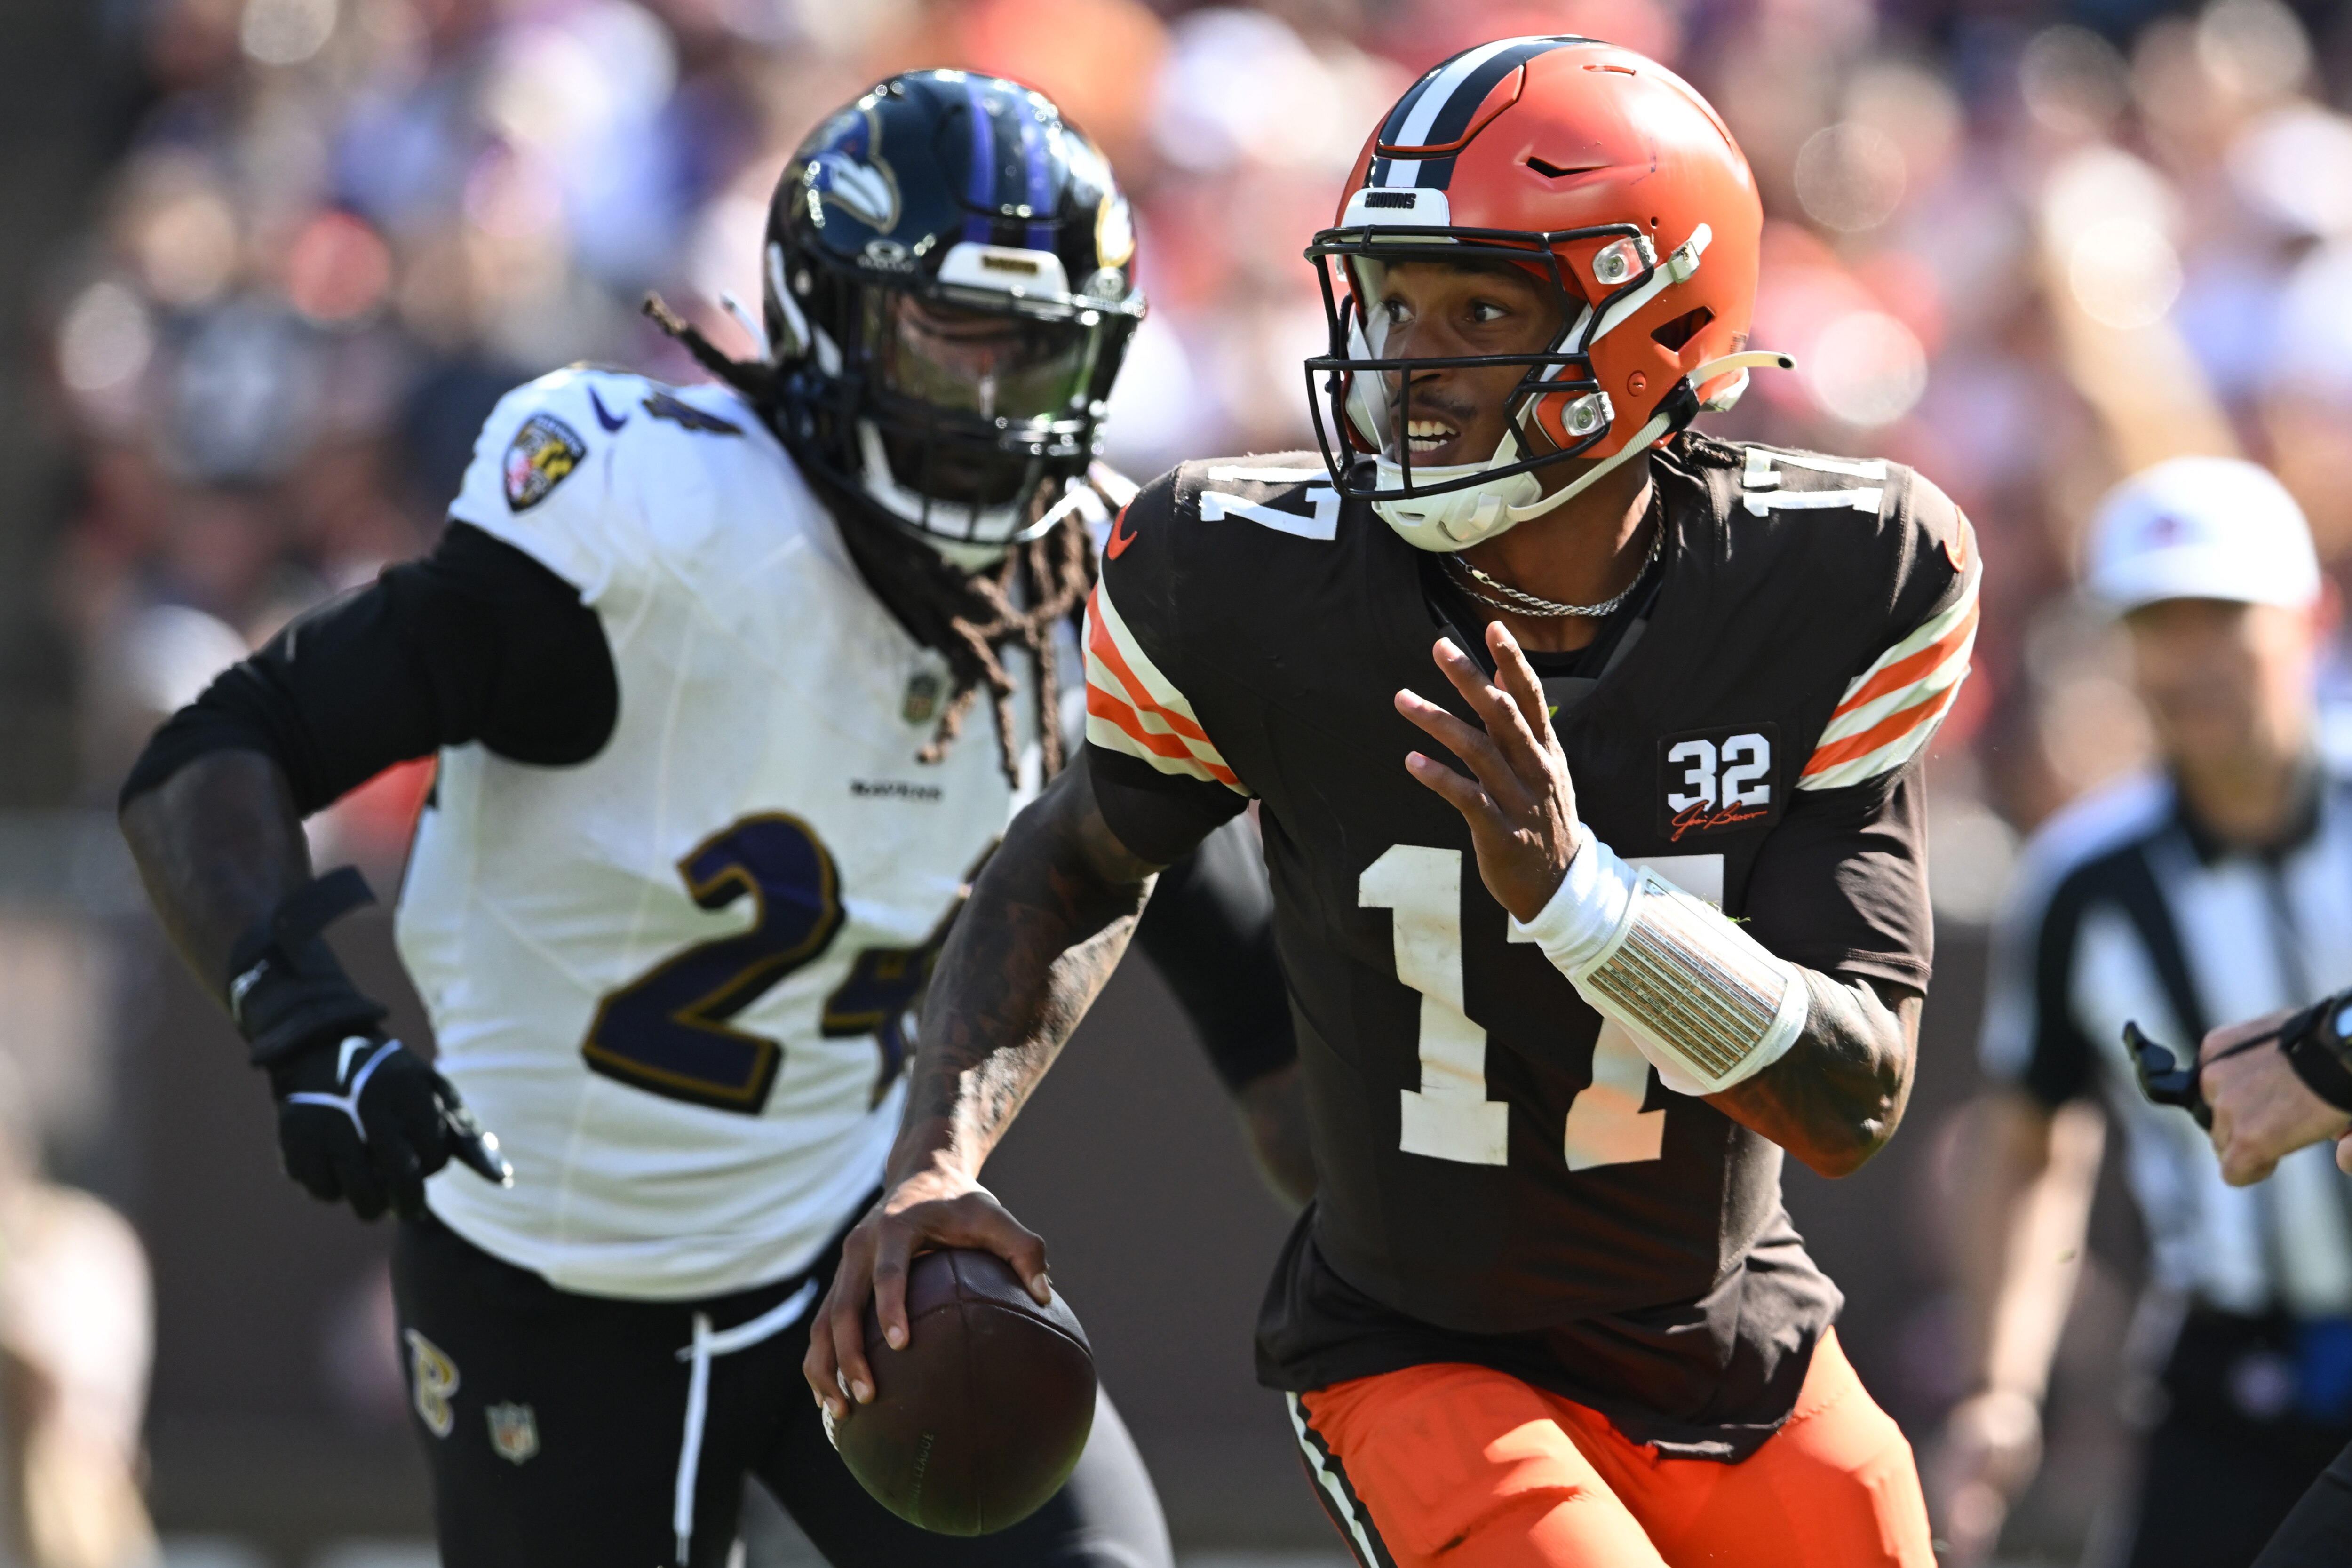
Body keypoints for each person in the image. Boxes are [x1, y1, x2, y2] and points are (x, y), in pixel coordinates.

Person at [809, 37, 1978, 1568]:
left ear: (1657, 321)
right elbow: (1084, 853)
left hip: (1740, 1347)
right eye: (1393, 299)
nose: (1408, 361)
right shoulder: (1247, 580)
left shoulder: (1838, 581)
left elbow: (1853, 1097)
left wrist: (1580, 901)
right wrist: (940, 1156)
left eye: (1479, 307)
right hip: (1427, 1350)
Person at [116, 71, 1308, 1568]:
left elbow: (1252, 991)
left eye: (1042, 359)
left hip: (844, 1253)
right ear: (832, 319)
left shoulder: (1082, 592)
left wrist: (1412, 1255)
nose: (999, 411)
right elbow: (218, 748)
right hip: (544, 1278)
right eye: (959, 342)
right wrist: (301, 1016)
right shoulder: (650, 524)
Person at [1932, 457, 2352, 1568]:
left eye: (2222, 614)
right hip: (2224, 1369)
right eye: (2158, 621)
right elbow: (2027, 1137)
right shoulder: (2085, 879)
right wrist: (2000, 1387)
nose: (2191, 655)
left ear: (2308, 614)